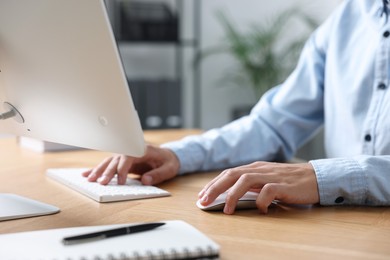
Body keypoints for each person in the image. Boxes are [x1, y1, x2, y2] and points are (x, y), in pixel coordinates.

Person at [83, 0, 390, 214]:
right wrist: (178, 155)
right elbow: (271, 125)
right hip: (342, 229)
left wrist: (324, 177)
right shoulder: (345, 20)